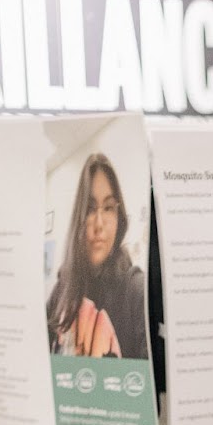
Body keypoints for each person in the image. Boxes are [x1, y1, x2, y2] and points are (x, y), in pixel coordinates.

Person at [46, 153, 148, 360]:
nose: (99, 223)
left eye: (109, 208)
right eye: (90, 209)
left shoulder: (136, 291)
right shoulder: (61, 291)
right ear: (79, 218)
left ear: (119, 218)